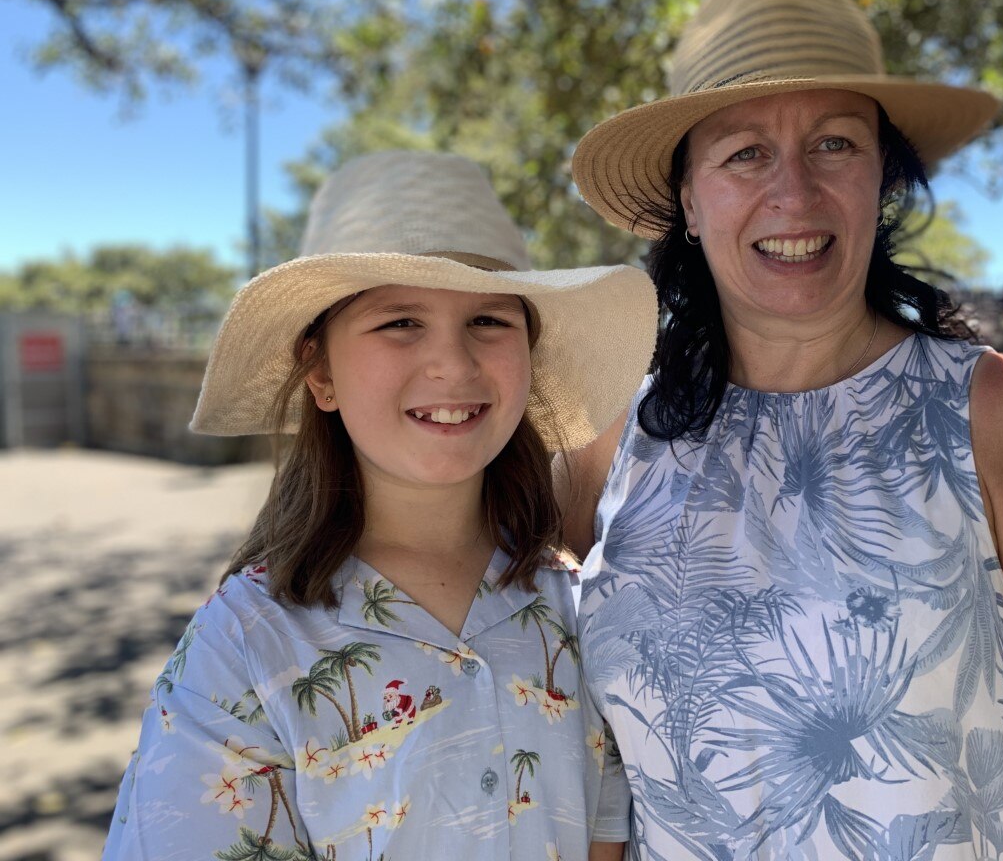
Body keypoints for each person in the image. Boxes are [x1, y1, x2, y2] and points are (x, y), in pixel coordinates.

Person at [565, 0, 1003, 860]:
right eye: (744, 153)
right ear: (688, 203)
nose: (795, 195)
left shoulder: (1001, 416)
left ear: (882, 180)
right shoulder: (609, 447)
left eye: (835, 145)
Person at [102, 151, 657, 860]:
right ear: (321, 372)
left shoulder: (580, 609)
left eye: (489, 319)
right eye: (400, 323)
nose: (453, 365)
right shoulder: (246, 647)